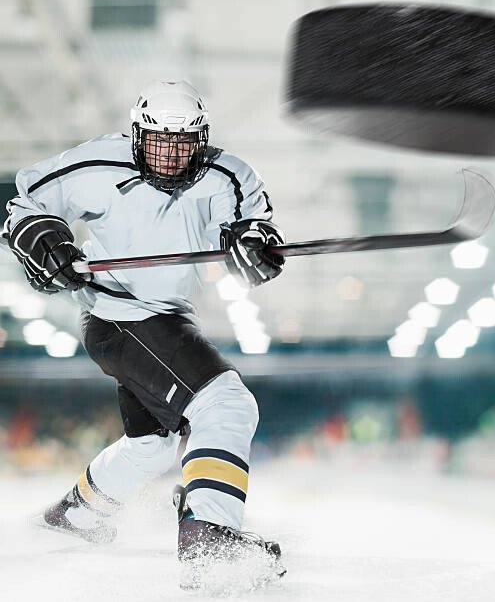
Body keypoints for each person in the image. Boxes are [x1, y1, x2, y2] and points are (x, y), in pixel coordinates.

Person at [1, 80, 286, 587]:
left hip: (163, 318)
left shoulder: (228, 175)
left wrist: (253, 247)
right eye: (158, 142)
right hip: (120, 316)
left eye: (183, 144)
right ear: (137, 134)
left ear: (201, 140)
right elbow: (22, 207)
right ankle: (210, 538)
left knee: (151, 445)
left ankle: (78, 515)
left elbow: (250, 222)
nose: (171, 155)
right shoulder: (96, 165)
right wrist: (46, 241)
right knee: (226, 404)